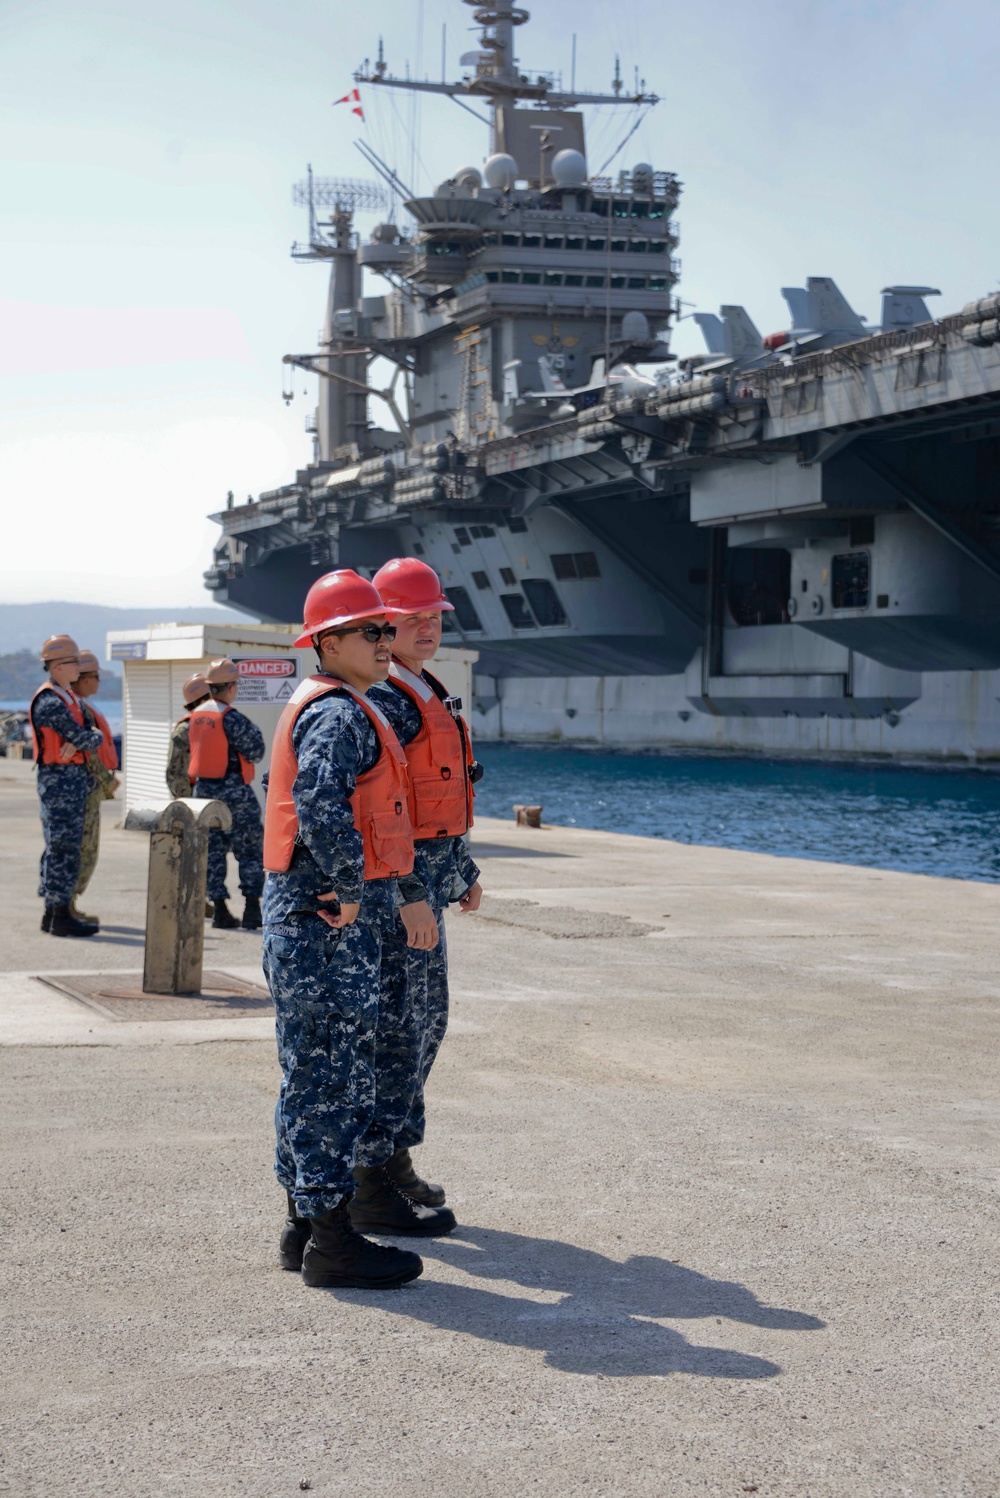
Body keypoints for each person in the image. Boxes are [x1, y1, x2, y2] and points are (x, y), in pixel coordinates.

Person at [262, 568, 455, 1292]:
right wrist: (348, 887)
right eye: (370, 631)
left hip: (307, 918)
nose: (385, 641)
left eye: (386, 629)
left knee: (311, 1073)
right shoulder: (340, 712)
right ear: (328, 641)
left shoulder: (336, 702)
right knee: (334, 1079)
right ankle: (333, 1242)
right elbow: (319, 803)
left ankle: (304, 1227)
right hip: (326, 923)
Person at [362, 557, 483, 1209]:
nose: (428, 626)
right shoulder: (387, 698)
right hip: (399, 889)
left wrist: (462, 872)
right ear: (383, 625)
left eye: (434, 616)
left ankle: (391, 1157)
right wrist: (409, 893)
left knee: (421, 1023)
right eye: (413, 618)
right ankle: (374, 1173)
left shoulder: (423, 687)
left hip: (431, 876)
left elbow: (440, 791)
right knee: (403, 1026)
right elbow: (387, 807)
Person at [29, 635, 105, 938]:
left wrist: (86, 737)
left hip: (70, 783)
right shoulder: (50, 702)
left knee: (68, 847)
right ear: (59, 666)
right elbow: (87, 736)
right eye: (74, 661)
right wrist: (86, 738)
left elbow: (89, 733)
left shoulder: (66, 698)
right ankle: (58, 915)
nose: (80, 666)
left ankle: (56, 912)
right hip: (59, 784)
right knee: (62, 848)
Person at [189, 658, 266, 930]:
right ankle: (252, 909)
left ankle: (220, 909)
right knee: (250, 851)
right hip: (235, 793)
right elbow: (256, 750)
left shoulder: (196, 716)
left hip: (204, 793)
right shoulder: (231, 718)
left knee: (212, 851)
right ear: (231, 687)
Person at [69, 649, 121, 928]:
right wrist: (107, 780)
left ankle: (69, 902)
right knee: (85, 848)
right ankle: (69, 902)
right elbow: (89, 753)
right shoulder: (81, 710)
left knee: (83, 847)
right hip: (88, 787)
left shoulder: (81, 705)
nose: (99, 682)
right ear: (82, 678)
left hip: (89, 787)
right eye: (95, 676)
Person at [166, 672, 210, 800]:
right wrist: (189, 805)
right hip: (191, 801)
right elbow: (175, 775)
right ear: (203, 701)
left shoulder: (215, 725)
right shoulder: (185, 730)